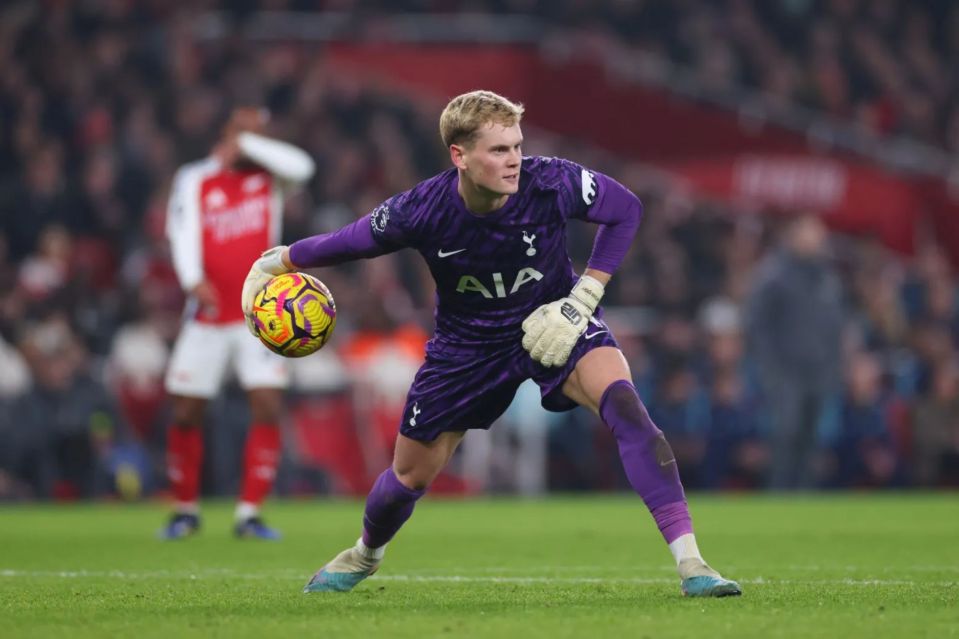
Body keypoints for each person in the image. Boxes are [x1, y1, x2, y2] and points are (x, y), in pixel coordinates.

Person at [242, 90, 740, 596]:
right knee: (408, 477)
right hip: (467, 348)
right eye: (500, 150)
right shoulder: (422, 209)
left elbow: (626, 209)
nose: (515, 161)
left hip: (555, 320)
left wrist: (584, 296)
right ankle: (364, 554)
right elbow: (351, 241)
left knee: (627, 409)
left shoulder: (550, 181)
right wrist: (281, 260)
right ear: (460, 155)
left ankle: (693, 564)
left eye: (517, 146)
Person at [162, 107, 315, 539]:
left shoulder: (272, 177)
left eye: (258, 135)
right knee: (187, 410)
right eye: (242, 132)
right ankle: (184, 510)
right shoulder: (195, 177)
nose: (251, 141)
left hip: (259, 312)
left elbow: (304, 166)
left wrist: (249, 143)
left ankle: (249, 514)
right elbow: (182, 228)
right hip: (208, 315)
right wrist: (192, 280)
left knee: (267, 404)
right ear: (224, 131)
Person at [745, 214, 844, 490]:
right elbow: (757, 324)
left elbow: (835, 326)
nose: (817, 239)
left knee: (810, 439)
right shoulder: (774, 274)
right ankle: (779, 495)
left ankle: (805, 498)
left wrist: (833, 366)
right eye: (811, 232)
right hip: (785, 372)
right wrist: (769, 368)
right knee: (785, 435)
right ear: (794, 234)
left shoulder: (826, 277)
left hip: (818, 371)